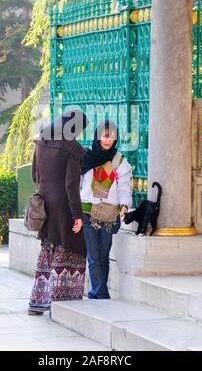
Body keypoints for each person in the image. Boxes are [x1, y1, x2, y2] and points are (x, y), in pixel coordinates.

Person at [28, 109, 89, 315]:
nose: (79, 135)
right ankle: (63, 302)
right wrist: (78, 216)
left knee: (47, 251)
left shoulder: (41, 141)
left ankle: (38, 303)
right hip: (64, 208)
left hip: (45, 205)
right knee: (70, 248)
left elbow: (34, 175)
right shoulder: (72, 148)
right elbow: (71, 185)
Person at [80, 119, 133, 299]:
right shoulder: (86, 158)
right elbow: (77, 185)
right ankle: (100, 292)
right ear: (97, 136)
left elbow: (125, 186)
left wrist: (124, 205)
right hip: (87, 212)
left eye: (112, 137)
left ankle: (98, 291)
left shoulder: (119, 160)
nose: (108, 140)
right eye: (105, 136)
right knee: (94, 255)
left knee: (103, 254)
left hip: (109, 214)